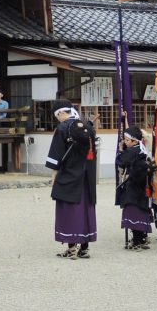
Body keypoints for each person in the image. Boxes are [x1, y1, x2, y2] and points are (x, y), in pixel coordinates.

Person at [45, 99, 98, 259]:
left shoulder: (62, 128)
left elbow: (56, 153)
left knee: (69, 209)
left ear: (61, 113)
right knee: (85, 208)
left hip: (69, 174)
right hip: (87, 175)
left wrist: (54, 175)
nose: (58, 119)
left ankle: (71, 247)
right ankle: (84, 248)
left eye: (57, 116)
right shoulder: (87, 127)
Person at [116, 125, 153, 251]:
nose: (125, 143)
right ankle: (141, 238)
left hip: (133, 185)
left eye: (127, 140)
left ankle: (137, 241)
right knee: (141, 209)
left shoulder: (133, 150)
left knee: (133, 211)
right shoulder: (141, 149)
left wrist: (121, 150)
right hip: (141, 185)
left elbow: (121, 161)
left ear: (134, 141)